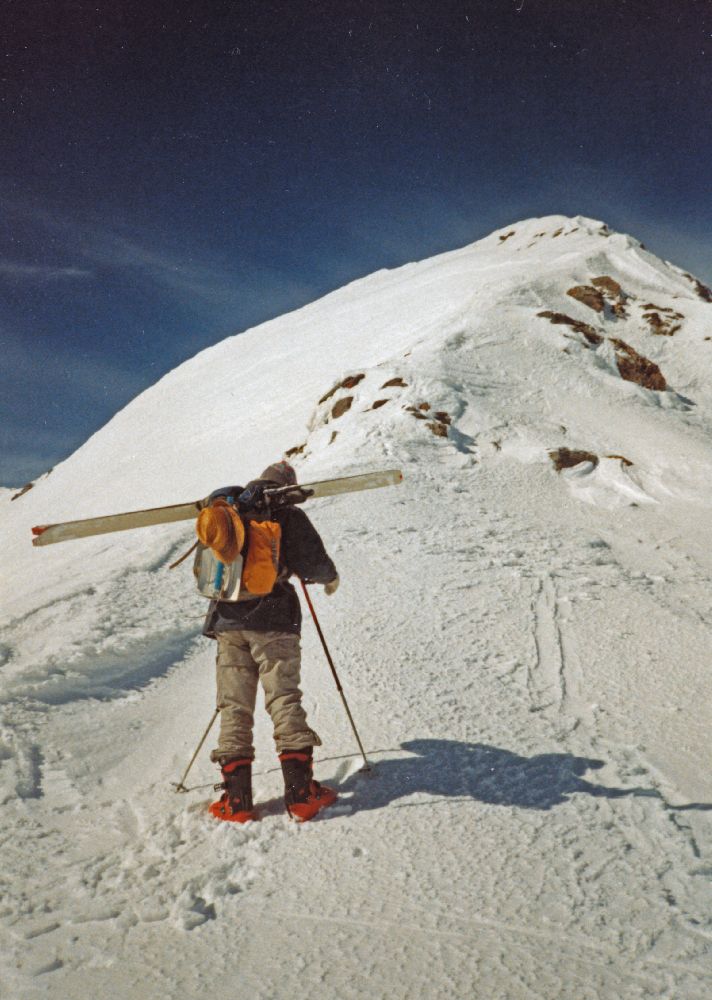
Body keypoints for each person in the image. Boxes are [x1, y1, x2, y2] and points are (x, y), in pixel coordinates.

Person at [199, 460, 340, 823]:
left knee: (234, 706)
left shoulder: (230, 513)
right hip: (275, 621)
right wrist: (330, 578)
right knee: (283, 699)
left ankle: (236, 801)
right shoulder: (285, 513)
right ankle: (301, 795)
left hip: (228, 622)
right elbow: (314, 564)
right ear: (288, 486)